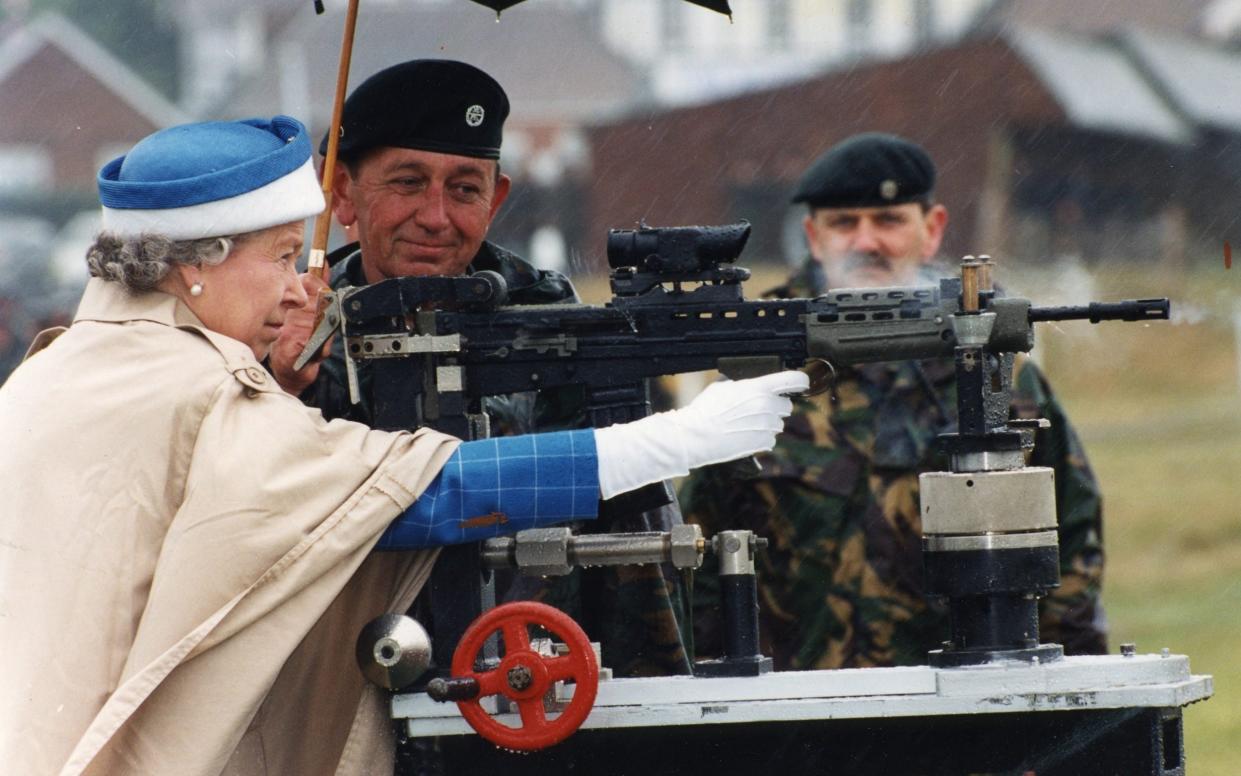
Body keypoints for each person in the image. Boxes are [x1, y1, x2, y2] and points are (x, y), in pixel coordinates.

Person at [0, 116, 806, 776]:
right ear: (196, 265)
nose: (296, 287)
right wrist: (672, 440)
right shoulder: (195, 388)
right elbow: (416, 496)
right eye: (281, 255)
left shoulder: (63, 366)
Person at [269, 59, 694, 679]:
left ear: (495, 200)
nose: (436, 217)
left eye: (464, 189)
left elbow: (637, 551)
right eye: (408, 184)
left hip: (529, 684)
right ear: (342, 197)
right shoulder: (283, 330)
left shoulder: (556, 329)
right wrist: (283, 387)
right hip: (340, 681)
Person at [680, 132, 1107, 671]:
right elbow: (692, 561)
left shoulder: (991, 369)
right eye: (844, 223)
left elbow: (1069, 546)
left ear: (932, 231)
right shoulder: (758, 367)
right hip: (794, 720)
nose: (867, 242)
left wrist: (1057, 722)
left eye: (888, 221)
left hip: (958, 715)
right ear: (813, 236)